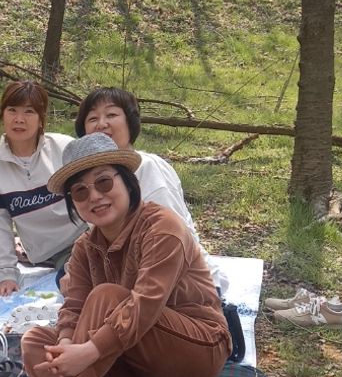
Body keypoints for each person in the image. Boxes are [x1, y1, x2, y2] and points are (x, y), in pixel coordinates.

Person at [20, 133, 231, 377]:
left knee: (107, 296)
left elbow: (146, 303)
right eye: (80, 192)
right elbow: (74, 305)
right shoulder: (84, 247)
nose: (94, 196)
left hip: (193, 356)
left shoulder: (163, 227)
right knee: (35, 341)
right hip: (132, 360)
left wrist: (89, 351)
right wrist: (67, 344)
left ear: (128, 182)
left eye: (104, 182)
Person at [73, 85, 227, 294]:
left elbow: (171, 238)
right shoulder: (86, 180)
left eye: (111, 115)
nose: (101, 124)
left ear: (130, 123)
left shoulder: (148, 168)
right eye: (92, 118)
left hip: (180, 284)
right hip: (129, 276)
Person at [0, 80, 77, 297]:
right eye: (12, 110)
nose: (19, 119)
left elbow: (94, 195)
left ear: (41, 119)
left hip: (85, 237)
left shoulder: (64, 148)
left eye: (29, 112)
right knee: (74, 281)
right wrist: (7, 274)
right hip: (52, 253)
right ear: (2, 114)